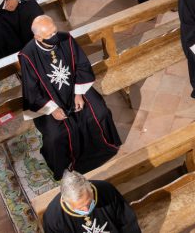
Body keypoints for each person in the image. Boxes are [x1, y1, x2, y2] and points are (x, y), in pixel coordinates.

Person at [19, 16, 122, 180]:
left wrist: (79, 93)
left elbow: (82, 65)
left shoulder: (66, 38)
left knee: (100, 112)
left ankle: (106, 146)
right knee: (56, 136)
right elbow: (31, 89)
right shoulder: (27, 55)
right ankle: (65, 165)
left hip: (75, 88)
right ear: (37, 37)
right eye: (49, 35)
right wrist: (52, 109)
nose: (55, 36)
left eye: (54, 30)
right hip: (50, 100)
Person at [42, 171, 140, 233]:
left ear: (91, 190)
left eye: (89, 203)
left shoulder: (107, 190)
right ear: (65, 201)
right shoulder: (53, 219)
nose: (87, 210)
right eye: (80, 208)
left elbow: (128, 223)